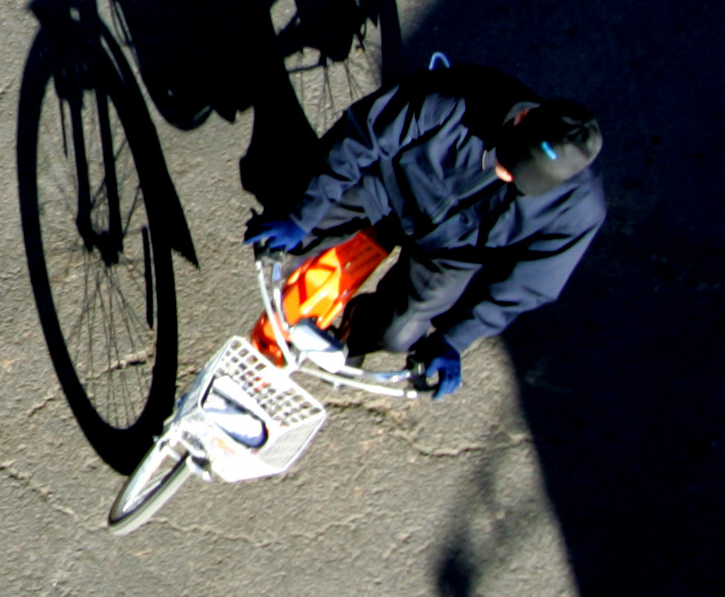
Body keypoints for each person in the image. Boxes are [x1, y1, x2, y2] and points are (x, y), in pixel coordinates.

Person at [244, 61, 604, 396]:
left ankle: (356, 327)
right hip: (386, 185)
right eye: (507, 157)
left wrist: (454, 340)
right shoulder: (457, 94)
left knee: (398, 334)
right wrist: (301, 215)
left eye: (522, 180)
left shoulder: (579, 211)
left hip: (451, 253)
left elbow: (530, 283)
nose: (507, 173)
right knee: (291, 232)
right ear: (523, 116)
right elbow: (363, 136)